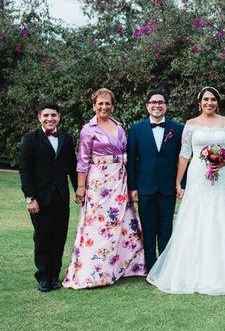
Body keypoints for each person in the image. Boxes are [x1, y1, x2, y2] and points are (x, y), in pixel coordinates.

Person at [147, 86, 225, 295]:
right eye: (205, 99)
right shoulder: (191, 124)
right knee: (196, 218)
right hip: (197, 177)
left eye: (213, 99)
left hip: (221, 177)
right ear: (200, 102)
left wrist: (222, 162)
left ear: (217, 102)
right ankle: (193, 271)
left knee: (222, 215)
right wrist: (178, 183)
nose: (209, 103)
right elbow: (184, 154)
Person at [62, 88, 147, 289]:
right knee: (98, 225)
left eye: (107, 103)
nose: (104, 107)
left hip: (119, 180)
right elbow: (82, 162)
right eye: (100, 103)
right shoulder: (88, 130)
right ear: (94, 106)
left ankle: (123, 266)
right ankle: (94, 271)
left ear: (112, 105)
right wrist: (81, 187)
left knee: (122, 222)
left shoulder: (119, 126)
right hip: (99, 183)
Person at [19, 101, 78, 292]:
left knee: (59, 236)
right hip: (40, 199)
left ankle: (54, 275)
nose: (50, 119)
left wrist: (79, 190)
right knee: (42, 237)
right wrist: (30, 198)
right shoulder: (30, 139)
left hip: (61, 196)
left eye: (53, 115)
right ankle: (43, 276)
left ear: (59, 117)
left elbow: (72, 168)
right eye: (46, 116)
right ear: (39, 118)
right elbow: (25, 171)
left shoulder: (66, 139)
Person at [127, 89, 184, 271]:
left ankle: (166, 268)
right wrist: (133, 186)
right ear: (147, 106)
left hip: (168, 187)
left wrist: (181, 184)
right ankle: (151, 268)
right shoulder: (136, 129)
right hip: (145, 187)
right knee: (149, 229)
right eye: (153, 102)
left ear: (166, 106)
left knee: (166, 228)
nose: (157, 105)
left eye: (160, 102)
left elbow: (183, 159)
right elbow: (132, 160)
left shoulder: (178, 129)